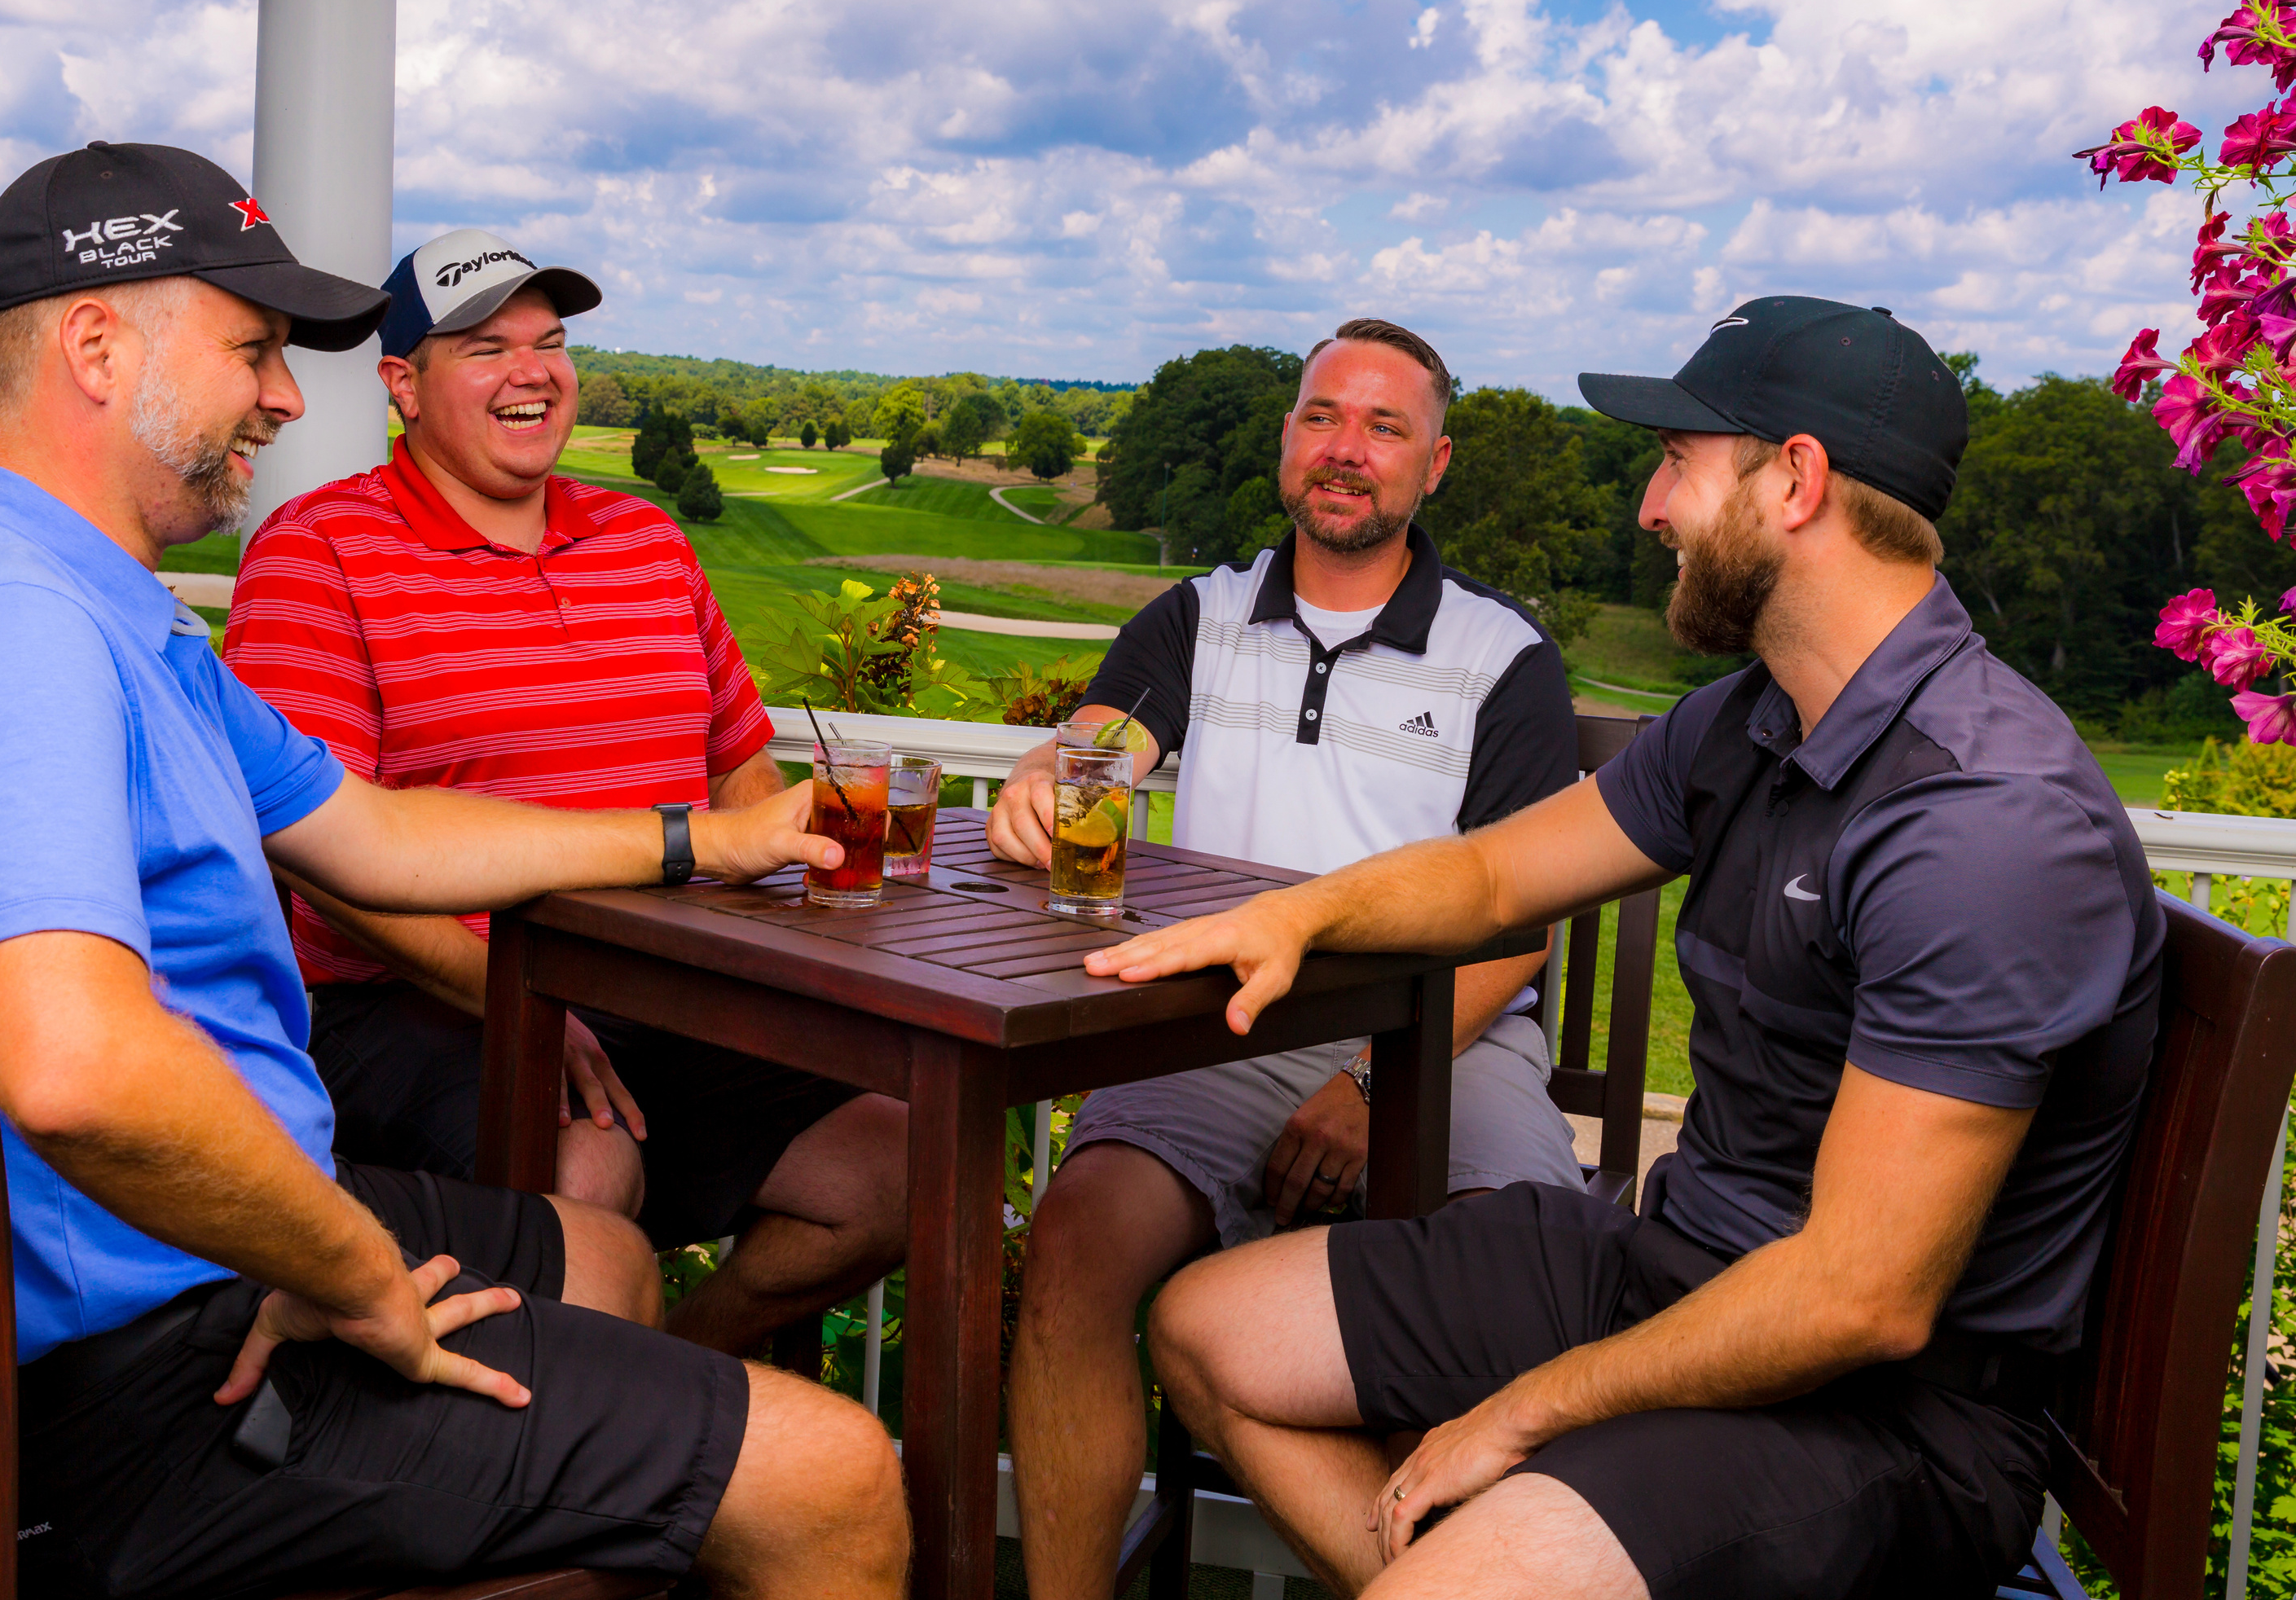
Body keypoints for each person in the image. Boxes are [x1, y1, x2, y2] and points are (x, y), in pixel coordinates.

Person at [0, 143, 907, 1600]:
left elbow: (368, 829)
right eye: (255, 349)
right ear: (97, 345)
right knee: (839, 1476)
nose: (289, 397)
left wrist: (696, 835)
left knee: (600, 1263)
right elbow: (77, 1068)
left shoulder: (83, 605)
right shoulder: (16, 639)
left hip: (74, 1274)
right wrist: (354, 1269)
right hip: (131, 1365)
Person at [1091, 297, 2161, 1600]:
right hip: (1684, 1273)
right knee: (1207, 1330)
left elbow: (1856, 1298)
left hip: (1887, 1416)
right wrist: (1295, 915)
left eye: (1676, 462)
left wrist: (1526, 1411)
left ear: (1797, 480)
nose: (1650, 509)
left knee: (1476, 1528)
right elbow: (1493, 869)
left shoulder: (1985, 823)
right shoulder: (1751, 723)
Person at [227, 227, 910, 1357]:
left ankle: (685, 1400)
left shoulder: (645, 538)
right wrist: (520, 1002)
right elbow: (317, 854)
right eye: (487, 347)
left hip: (660, 992)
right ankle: (578, 1504)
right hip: (414, 1002)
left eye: (550, 342)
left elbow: (742, 768)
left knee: (896, 1163)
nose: (533, 370)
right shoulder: (320, 551)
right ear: (403, 384)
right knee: (586, 1164)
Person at [984, 321, 1584, 1599]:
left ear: (1437, 464)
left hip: (1448, 1035)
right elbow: (1104, 741)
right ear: (1286, 441)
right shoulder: (1198, 619)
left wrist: (1371, 1083)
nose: (1346, 451)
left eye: (1384, 428)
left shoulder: (1501, 658)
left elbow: (1516, 929)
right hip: (1221, 1031)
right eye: (1322, 418)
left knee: (1510, 1286)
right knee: (1076, 1250)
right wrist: (1049, 780)